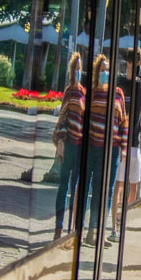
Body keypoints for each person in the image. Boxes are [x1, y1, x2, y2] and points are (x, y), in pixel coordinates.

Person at [84, 53, 128, 242]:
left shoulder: (118, 93)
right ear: (97, 72)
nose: (106, 73)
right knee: (95, 186)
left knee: (109, 189)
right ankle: (91, 229)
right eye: (102, 70)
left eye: (108, 70)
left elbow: (123, 121)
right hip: (94, 146)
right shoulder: (92, 92)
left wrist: (124, 147)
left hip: (112, 150)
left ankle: (100, 228)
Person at [113, 48, 141, 229]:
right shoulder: (122, 84)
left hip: (129, 141)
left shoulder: (139, 88)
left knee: (131, 183)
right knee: (121, 183)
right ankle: (117, 218)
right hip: (125, 141)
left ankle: (121, 216)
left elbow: (137, 117)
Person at [54, 53, 85, 239]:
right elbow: (62, 117)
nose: (78, 71)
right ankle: (58, 227)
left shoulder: (83, 92)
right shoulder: (69, 91)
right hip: (68, 145)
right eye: (76, 68)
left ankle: (72, 228)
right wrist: (60, 141)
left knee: (75, 187)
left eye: (80, 68)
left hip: (80, 146)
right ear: (71, 71)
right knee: (63, 185)